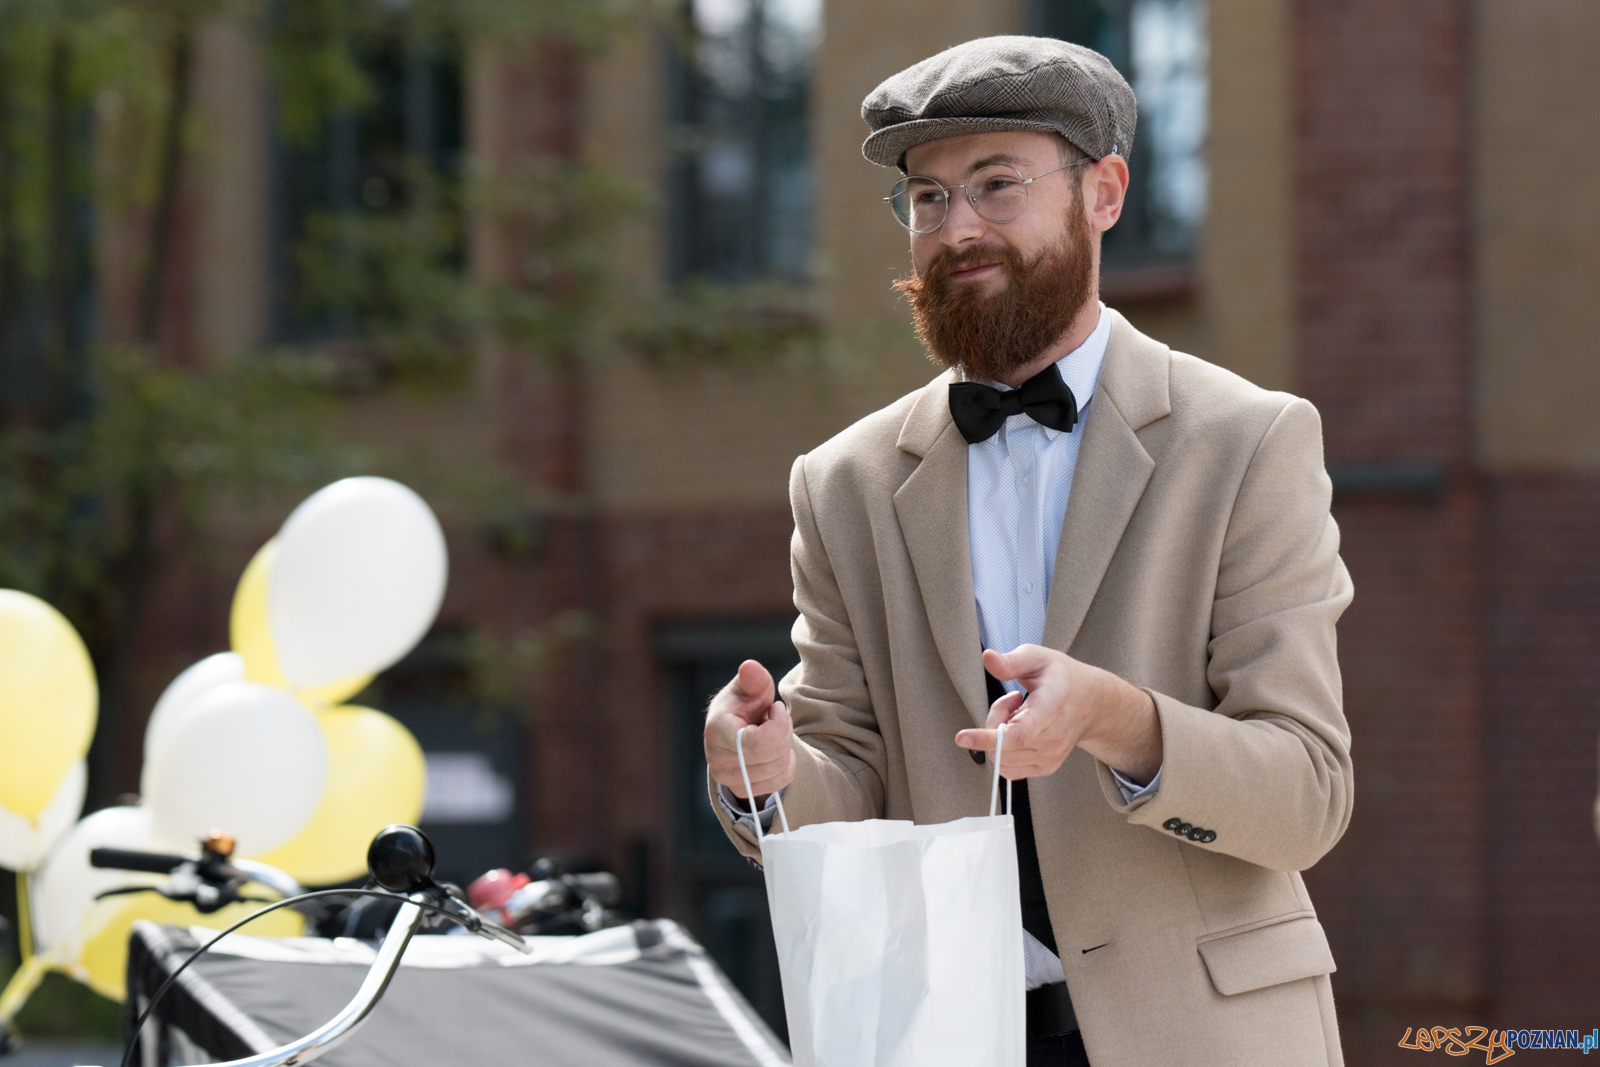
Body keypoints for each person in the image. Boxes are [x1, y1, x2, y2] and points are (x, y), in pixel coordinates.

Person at [702, 36, 1352, 1067]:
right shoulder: (842, 481)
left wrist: (1112, 719)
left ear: (1103, 192)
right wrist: (765, 771)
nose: (956, 227)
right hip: (940, 1036)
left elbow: (1306, 792)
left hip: (1201, 1033)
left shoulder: (1248, 438)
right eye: (925, 198)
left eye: (996, 185)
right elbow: (850, 785)